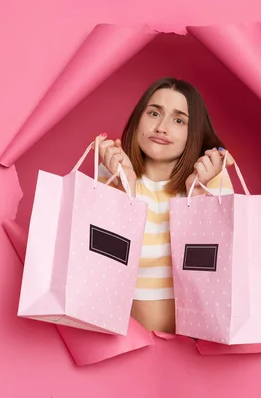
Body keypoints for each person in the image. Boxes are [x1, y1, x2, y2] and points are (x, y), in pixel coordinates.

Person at [95, 77, 234, 333]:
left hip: (193, 349)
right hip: (122, 343)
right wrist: (128, 188)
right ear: (138, 119)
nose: (161, 127)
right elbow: (103, 270)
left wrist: (197, 190)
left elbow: (219, 272)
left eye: (179, 120)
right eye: (154, 113)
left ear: (194, 133)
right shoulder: (111, 175)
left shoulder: (211, 181)